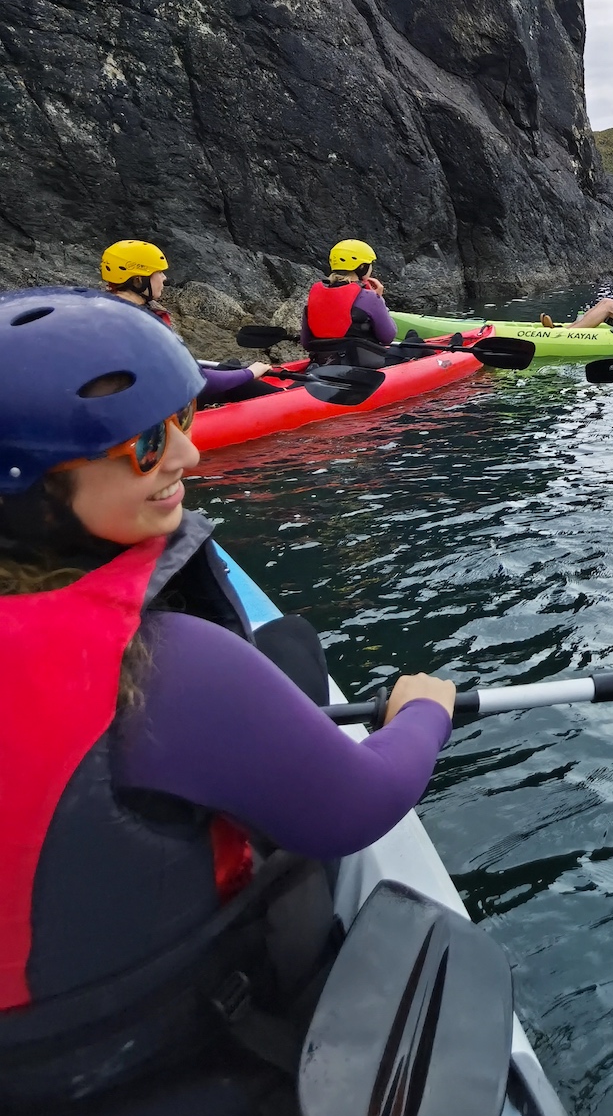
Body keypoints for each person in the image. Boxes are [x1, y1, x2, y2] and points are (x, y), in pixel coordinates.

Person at [0, 289, 457, 1044]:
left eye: (179, 419)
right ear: (32, 494)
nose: (189, 454)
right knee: (290, 653)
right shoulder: (168, 667)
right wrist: (422, 712)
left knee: (285, 654)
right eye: (147, 442)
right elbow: (359, 807)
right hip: (118, 1071)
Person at [101, 239, 273, 405]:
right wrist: (249, 373)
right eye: (158, 273)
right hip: (150, 406)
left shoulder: (103, 310)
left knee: (229, 367)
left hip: (129, 398)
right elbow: (194, 381)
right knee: (242, 384)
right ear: (138, 280)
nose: (164, 278)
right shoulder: (139, 325)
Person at [301, 239, 402, 367]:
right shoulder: (370, 298)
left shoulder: (315, 296)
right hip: (362, 367)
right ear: (362, 267)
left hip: (324, 364)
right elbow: (388, 337)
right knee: (414, 342)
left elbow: (306, 342)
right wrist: (379, 301)